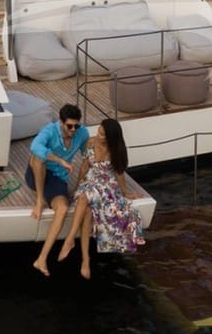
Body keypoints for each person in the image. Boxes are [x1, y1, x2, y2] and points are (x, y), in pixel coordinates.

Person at [57, 118, 145, 279]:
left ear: (111, 137)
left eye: (103, 134)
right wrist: (77, 186)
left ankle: (69, 240)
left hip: (106, 185)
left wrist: (125, 193)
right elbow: (84, 166)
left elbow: (119, 173)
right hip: (90, 181)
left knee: (84, 198)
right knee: (87, 211)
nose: (98, 135)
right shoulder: (91, 142)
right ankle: (85, 259)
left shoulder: (115, 150)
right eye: (99, 131)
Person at [27, 103, 88, 277]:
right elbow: (35, 147)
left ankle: (41, 259)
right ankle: (40, 200)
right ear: (61, 122)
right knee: (38, 157)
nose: (73, 130)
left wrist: (79, 185)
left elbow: (87, 158)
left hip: (57, 178)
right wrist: (60, 160)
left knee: (62, 208)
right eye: (69, 126)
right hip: (37, 174)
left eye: (76, 126)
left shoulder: (82, 133)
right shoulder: (49, 131)